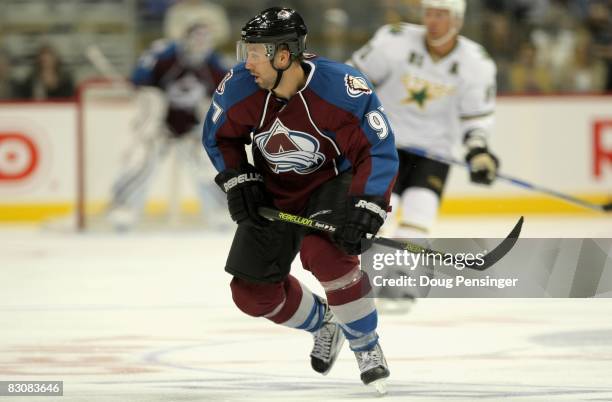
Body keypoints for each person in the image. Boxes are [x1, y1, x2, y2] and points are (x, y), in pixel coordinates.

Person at [202, 7, 398, 392]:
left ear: (284, 55)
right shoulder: (239, 87)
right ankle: (324, 321)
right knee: (251, 293)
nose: (248, 61)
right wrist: (239, 178)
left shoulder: (341, 88)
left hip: (332, 182)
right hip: (274, 188)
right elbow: (219, 137)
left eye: (257, 53)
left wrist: (368, 204)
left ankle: (367, 346)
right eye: (247, 51)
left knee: (325, 254)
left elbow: (377, 149)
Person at [348, 0, 499, 306]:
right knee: (380, 213)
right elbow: (351, 79)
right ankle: (361, 277)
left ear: (457, 20)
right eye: (429, 13)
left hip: (434, 151)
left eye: (441, 14)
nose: (432, 20)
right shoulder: (393, 40)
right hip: (383, 143)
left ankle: (399, 276)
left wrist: (478, 151)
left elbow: (476, 117)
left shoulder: (476, 63)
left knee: (421, 210)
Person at [107, 1, 229, 230]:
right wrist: (149, 107)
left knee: (208, 166)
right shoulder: (164, 56)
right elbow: (139, 81)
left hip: (193, 126)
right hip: (159, 125)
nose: (201, 44)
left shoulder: (214, 63)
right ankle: (122, 208)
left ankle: (221, 211)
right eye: (196, 37)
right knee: (141, 163)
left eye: (206, 39)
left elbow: (226, 94)